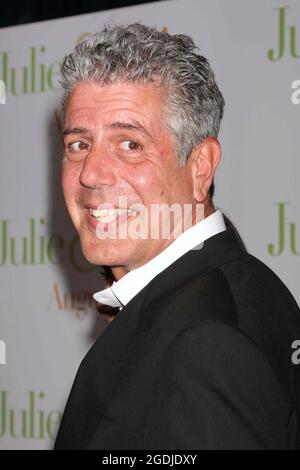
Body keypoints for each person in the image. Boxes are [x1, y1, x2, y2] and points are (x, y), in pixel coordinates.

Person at [54, 23, 300, 450]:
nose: (90, 174)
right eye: (78, 144)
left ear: (201, 166)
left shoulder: (206, 345)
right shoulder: (234, 284)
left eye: (129, 144)